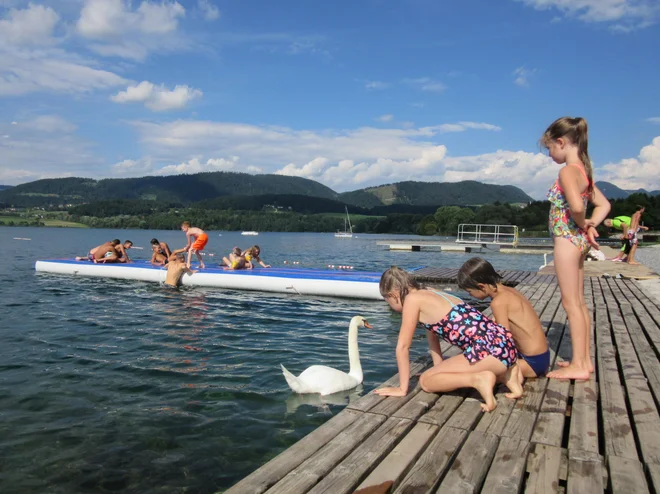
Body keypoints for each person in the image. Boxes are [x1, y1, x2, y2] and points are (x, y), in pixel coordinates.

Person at [375, 266, 523, 412]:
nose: (391, 306)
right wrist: (438, 370)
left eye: (388, 301)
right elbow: (433, 339)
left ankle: (479, 380)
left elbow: (403, 347)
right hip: (504, 345)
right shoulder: (429, 292)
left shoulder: (412, 300)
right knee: (434, 376)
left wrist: (402, 388)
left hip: (488, 351)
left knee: (426, 382)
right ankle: (507, 375)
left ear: (393, 294)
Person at [542, 117, 610, 380]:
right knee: (579, 304)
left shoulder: (567, 172)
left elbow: (578, 208)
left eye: (550, 148)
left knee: (571, 304)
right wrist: (591, 226)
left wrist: (583, 223)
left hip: (567, 240)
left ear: (561, 142)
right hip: (578, 242)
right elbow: (603, 206)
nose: (550, 154)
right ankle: (583, 360)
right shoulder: (584, 173)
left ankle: (580, 367)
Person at [458, 258, 550, 380]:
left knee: (468, 370)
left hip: (531, 364)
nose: (470, 295)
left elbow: (503, 341)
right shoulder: (510, 291)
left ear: (481, 286)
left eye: (470, 292)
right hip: (541, 357)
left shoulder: (498, 302)